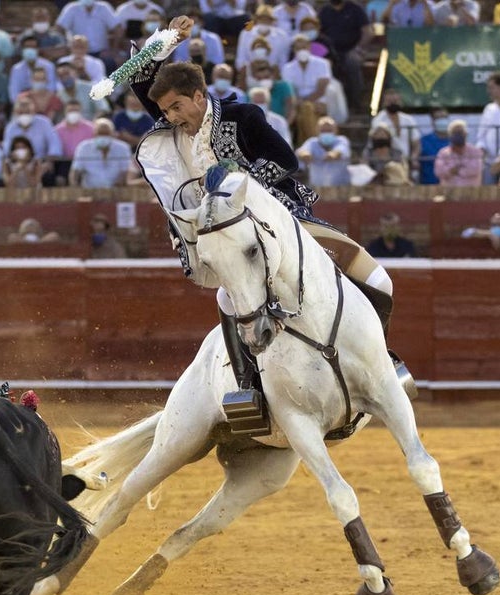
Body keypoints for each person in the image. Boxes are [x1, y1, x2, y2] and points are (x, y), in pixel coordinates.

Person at [129, 15, 411, 422]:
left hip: (281, 220)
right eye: (165, 110)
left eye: (176, 107)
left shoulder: (243, 117)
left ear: (197, 95)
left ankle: (382, 365)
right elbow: (139, 72)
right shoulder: (171, 124)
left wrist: (239, 188)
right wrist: (170, 38)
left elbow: (286, 159)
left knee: (380, 282)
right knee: (229, 297)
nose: (171, 117)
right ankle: (249, 391)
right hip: (225, 235)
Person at [70, 119, 132, 188]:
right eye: (100, 133)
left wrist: (119, 185)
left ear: (112, 134)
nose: (103, 136)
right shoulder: (84, 147)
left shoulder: (123, 148)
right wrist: (75, 187)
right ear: (94, 134)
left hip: (116, 191)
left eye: (106, 134)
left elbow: (125, 171)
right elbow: (76, 171)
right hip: (89, 191)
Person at [296, 116, 350, 187]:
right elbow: (301, 152)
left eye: (329, 130)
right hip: (317, 189)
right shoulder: (312, 142)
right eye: (323, 131)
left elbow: (338, 152)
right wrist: (305, 155)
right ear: (317, 131)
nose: (326, 133)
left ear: (336, 130)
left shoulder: (342, 140)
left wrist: (330, 156)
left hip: (340, 189)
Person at [434, 119, 484, 186]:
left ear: (466, 134)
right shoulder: (443, 153)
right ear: (449, 135)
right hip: (449, 193)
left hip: (471, 192)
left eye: (460, 132)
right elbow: (439, 172)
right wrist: (460, 168)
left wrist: (455, 171)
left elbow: (475, 169)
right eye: (455, 132)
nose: (458, 134)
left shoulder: (475, 152)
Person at [418, 108, 450, 185]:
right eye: (438, 118)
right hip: (428, 186)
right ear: (432, 121)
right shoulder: (423, 141)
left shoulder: (455, 141)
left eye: (444, 117)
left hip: (451, 186)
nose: (442, 120)